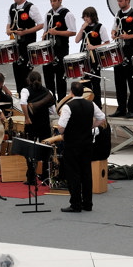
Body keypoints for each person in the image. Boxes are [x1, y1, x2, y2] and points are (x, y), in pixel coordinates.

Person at [43, 81, 104, 212]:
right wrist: (91, 126)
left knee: (73, 174)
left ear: (71, 92)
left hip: (72, 145)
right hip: (87, 144)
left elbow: (61, 127)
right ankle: (88, 203)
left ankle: (75, 204)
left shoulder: (68, 107)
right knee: (86, 173)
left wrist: (65, 132)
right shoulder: (91, 104)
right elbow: (101, 118)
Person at [6, 0, 43, 96]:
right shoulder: (12, 8)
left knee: (26, 73)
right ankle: (20, 96)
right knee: (17, 71)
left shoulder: (31, 7)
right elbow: (8, 23)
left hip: (27, 44)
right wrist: (8, 30)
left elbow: (41, 24)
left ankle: (30, 96)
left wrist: (25, 32)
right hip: (16, 45)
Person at [43, 0, 76, 102]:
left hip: (61, 49)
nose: (52, 3)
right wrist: (44, 36)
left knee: (60, 77)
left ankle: (61, 101)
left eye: (55, 1)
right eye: (51, 1)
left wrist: (57, 33)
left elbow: (73, 32)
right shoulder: (48, 14)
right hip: (49, 50)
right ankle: (50, 101)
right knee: (48, 76)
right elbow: (46, 30)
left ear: (60, 0)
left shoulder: (67, 14)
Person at [75, 6, 109, 107]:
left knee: (95, 82)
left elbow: (107, 43)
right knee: (84, 82)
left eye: (87, 17)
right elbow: (77, 40)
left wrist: (94, 47)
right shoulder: (84, 27)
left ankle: (97, 105)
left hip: (94, 58)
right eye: (84, 17)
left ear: (93, 17)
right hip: (84, 58)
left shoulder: (100, 27)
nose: (85, 19)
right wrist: (82, 28)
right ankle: (86, 105)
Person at [20, 70, 54, 141]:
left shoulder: (25, 90)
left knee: (30, 145)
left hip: (31, 124)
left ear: (28, 80)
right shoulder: (49, 92)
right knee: (44, 146)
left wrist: (27, 118)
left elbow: (23, 102)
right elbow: (52, 111)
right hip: (44, 124)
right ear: (40, 80)